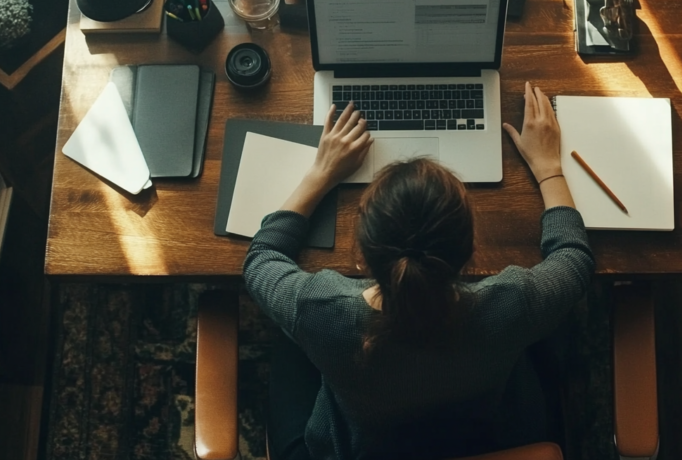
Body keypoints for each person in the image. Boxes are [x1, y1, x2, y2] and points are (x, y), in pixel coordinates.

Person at [243, 82, 595, 460]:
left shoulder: (319, 312)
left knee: (287, 337)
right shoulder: (511, 307)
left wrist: (321, 172)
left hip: (360, 448)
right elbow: (574, 259)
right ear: (471, 253)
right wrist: (548, 169)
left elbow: (261, 257)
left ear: (360, 258)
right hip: (486, 437)